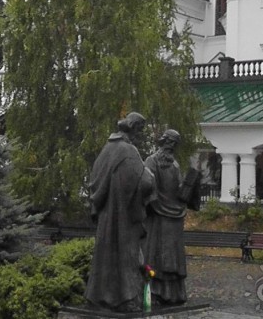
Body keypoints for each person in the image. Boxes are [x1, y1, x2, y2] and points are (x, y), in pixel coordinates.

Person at [85, 112, 155, 312]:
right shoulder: (128, 151)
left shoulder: (106, 150)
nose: (140, 135)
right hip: (124, 219)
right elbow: (145, 182)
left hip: (107, 217)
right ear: (133, 128)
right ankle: (125, 299)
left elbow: (95, 181)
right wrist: (149, 175)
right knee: (125, 256)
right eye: (140, 130)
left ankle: (98, 297)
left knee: (105, 256)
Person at [143, 129, 200, 307]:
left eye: (175, 143)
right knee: (157, 255)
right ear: (163, 142)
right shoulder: (151, 161)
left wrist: (190, 187)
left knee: (173, 257)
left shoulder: (174, 163)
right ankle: (156, 292)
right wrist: (155, 204)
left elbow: (177, 190)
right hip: (159, 217)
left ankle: (174, 294)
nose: (172, 146)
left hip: (174, 215)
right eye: (170, 142)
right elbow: (147, 186)